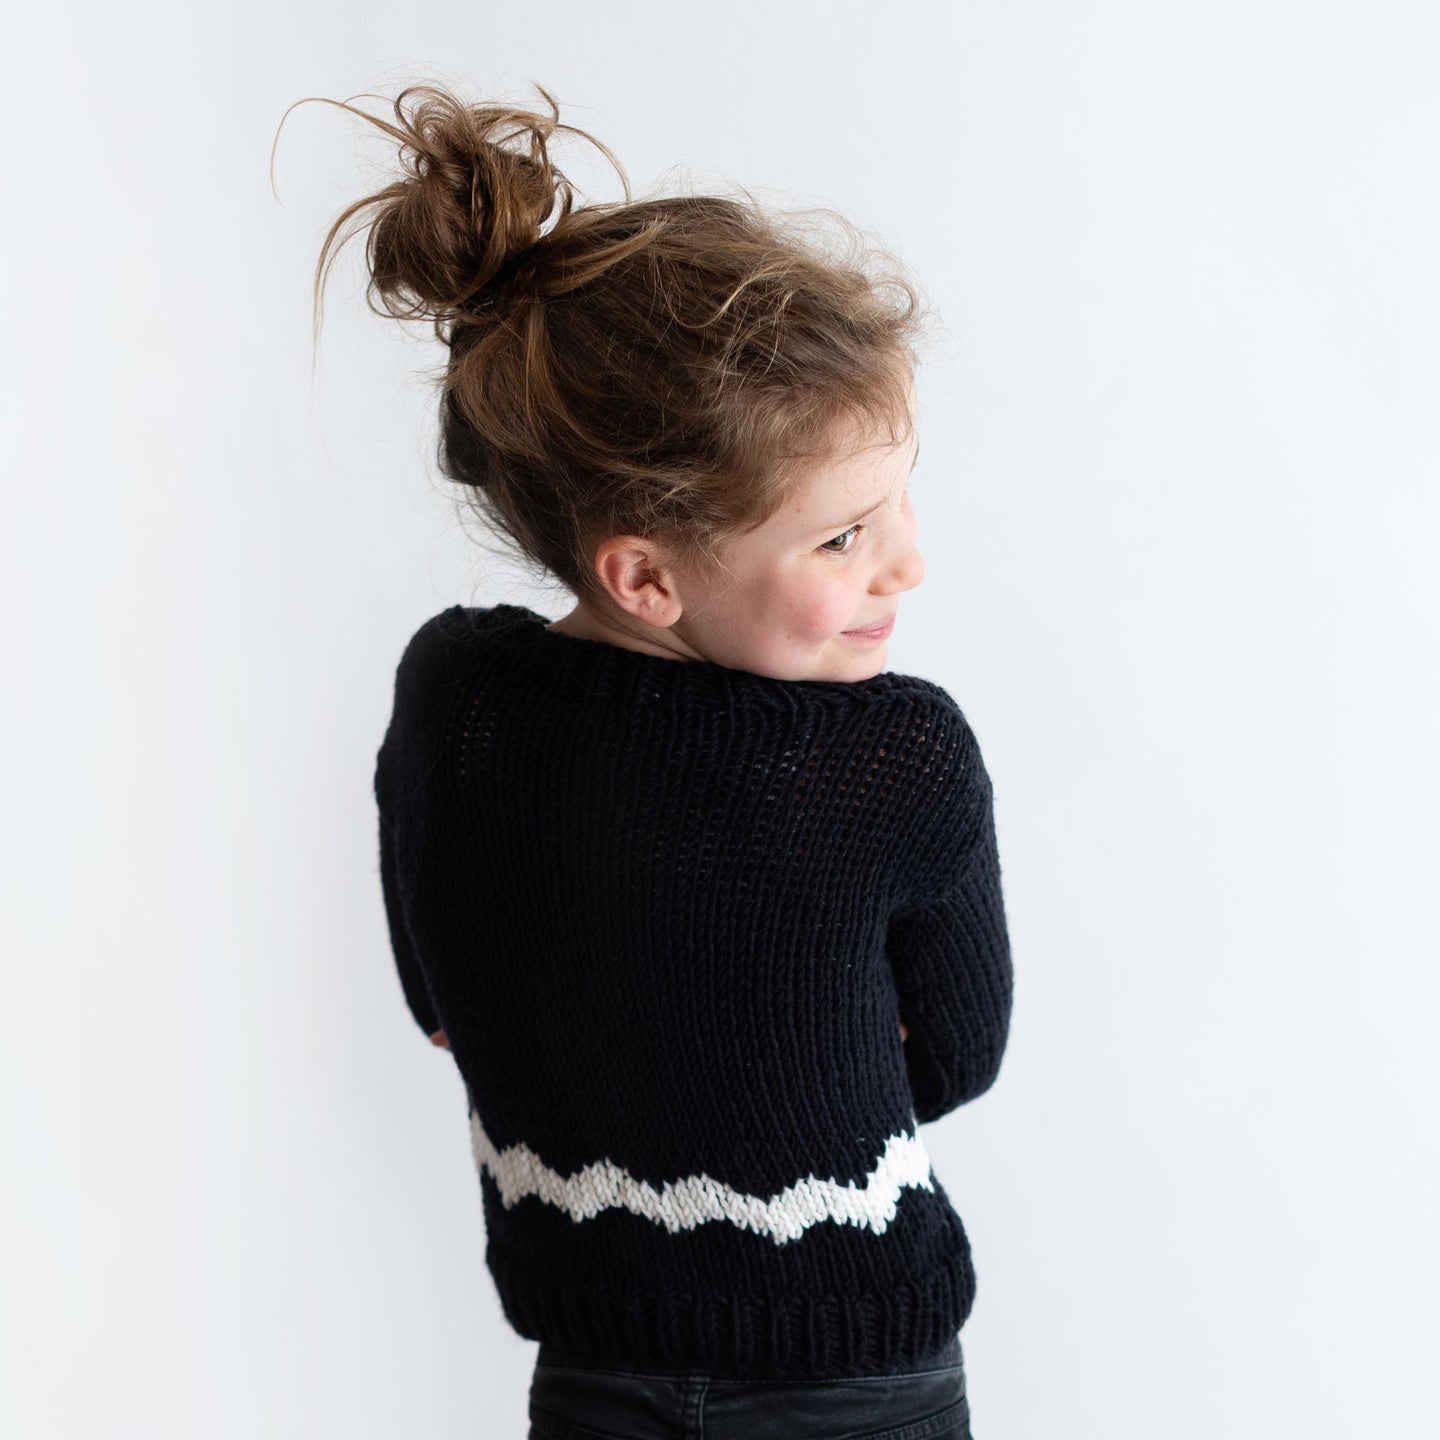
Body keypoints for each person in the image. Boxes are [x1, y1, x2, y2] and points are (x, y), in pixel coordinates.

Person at [306, 82, 1013, 1439]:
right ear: (645, 574)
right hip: (856, 1368)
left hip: (592, 1351)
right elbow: (951, 1058)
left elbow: (438, 991)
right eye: (842, 538)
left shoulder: (458, 695)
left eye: (898, 500)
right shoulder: (894, 757)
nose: (908, 561)